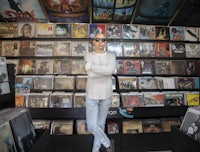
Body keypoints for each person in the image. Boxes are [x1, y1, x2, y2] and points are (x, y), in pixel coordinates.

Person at [84, 33, 116, 152]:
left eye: (103, 39)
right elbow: (91, 75)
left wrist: (92, 66)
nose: (100, 42)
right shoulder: (88, 55)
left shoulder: (111, 56)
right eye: (97, 39)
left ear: (106, 42)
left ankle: (95, 150)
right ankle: (107, 144)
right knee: (92, 126)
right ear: (93, 41)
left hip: (106, 94)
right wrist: (106, 71)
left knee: (101, 124)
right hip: (92, 94)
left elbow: (109, 71)